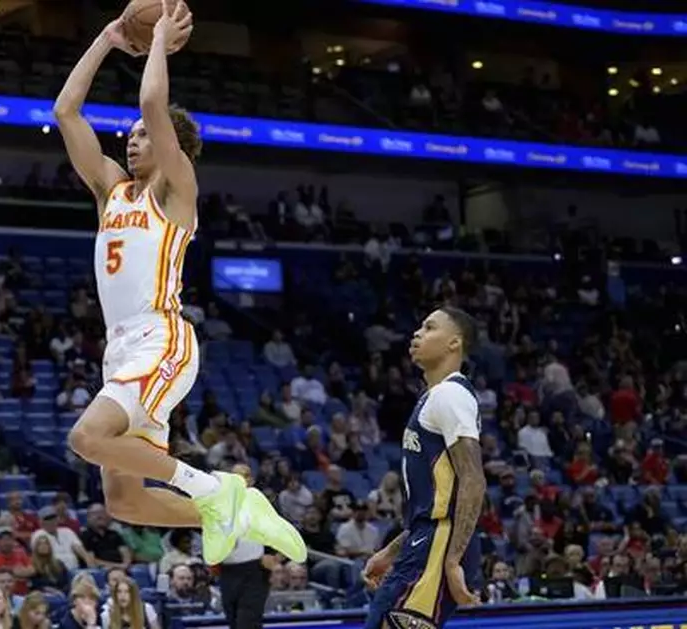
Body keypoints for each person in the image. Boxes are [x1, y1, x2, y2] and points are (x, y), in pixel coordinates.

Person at [53, 0, 303, 565]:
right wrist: (109, 38)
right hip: (120, 350)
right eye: (130, 136)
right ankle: (235, 507)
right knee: (124, 502)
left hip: (160, 339)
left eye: (144, 136)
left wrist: (160, 36)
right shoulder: (112, 191)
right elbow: (67, 112)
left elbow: (150, 101)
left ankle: (218, 491)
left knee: (85, 438)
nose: (131, 140)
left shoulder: (178, 189)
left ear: (172, 147)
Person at [362, 306, 485, 629]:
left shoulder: (450, 394)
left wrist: (454, 559)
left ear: (454, 343)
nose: (417, 334)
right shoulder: (433, 396)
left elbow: (473, 480)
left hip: (439, 545)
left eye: (429, 328)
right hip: (427, 539)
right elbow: (435, 502)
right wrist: (391, 550)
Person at [218, 465, 273, 629]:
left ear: (251, 480)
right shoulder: (219, 504)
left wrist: (274, 557)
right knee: (233, 621)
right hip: (227, 570)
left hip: (254, 570)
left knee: (247, 622)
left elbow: (282, 530)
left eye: (244, 476)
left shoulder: (261, 504)